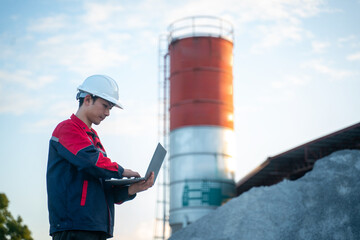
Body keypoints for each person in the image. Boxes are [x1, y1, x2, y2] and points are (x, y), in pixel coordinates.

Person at [46, 75, 154, 240]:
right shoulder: (66, 129)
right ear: (88, 99)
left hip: (94, 228)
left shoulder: (93, 138)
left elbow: (101, 186)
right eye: (105, 106)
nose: (108, 113)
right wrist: (122, 171)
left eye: (110, 108)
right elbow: (91, 162)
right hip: (74, 228)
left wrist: (134, 188)